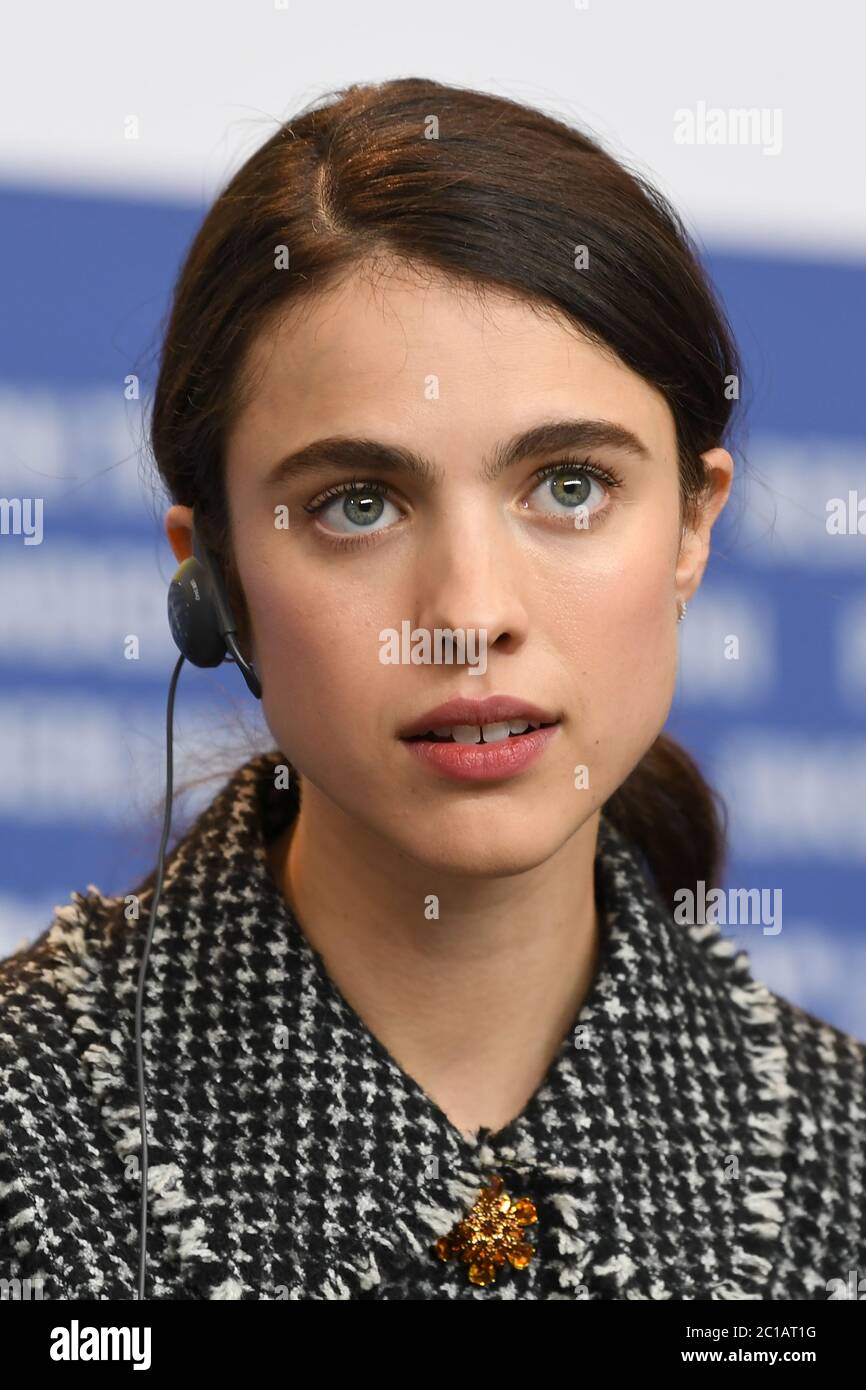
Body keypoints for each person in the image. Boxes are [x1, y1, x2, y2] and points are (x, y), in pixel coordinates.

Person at [1, 77, 864, 1302]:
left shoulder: (839, 1174)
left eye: (568, 487)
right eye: (358, 504)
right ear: (218, 582)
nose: (467, 615)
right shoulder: (27, 1136)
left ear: (690, 526)